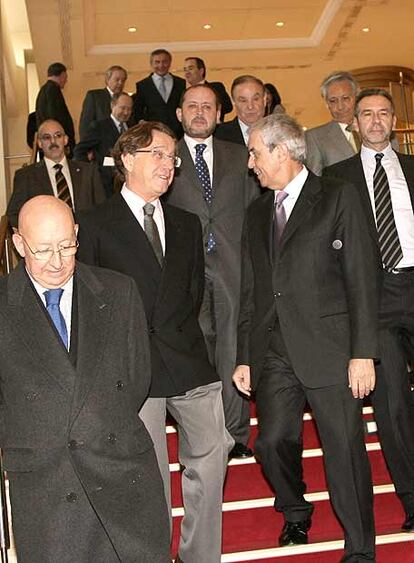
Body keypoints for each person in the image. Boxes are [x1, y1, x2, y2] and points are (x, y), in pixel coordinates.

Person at [77, 121, 233, 563]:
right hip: (130, 370)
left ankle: (199, 556)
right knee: (149, 475)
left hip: (186, 360)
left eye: (172, 157)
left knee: (211, 457)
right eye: (158, 155)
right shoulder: (93, 224)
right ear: (127, 159)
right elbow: (88, 306)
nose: (168, 165)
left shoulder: (185, 223)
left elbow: (193, 294)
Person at [233, 113, 379, 560]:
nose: (251, 162)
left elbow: (362, 278)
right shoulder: (256, 212)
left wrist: (363, 352)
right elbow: (251, 289)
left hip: (332, 350)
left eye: (256, 152)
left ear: (281, 150)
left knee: (344, 454)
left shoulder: (337, 196)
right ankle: (295, 509)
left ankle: (360, 551)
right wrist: (245, 356)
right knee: (273, 441)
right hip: (274, 350)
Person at [0, 195, 170, 562]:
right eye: (43, 250)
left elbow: (137, 378)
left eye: (66, 245)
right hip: (46, 482)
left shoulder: (119, 291)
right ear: (18, 244)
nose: (57, 261)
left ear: (77, 234)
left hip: (121, 471)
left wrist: (95, 419)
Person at [324, 88, 414, 533]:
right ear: (354, 124)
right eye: (367, 114)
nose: (376, 121)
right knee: (393, 407)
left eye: (383, 113)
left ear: (394, 120)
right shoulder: (335, 179)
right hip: (373, 299)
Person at [166, 84, 260, 458]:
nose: (200, 112)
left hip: (234, 267)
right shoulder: (164, 156)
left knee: (233, 348)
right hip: (186, 269)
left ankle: (235, 434)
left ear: (220, 114)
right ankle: (203, 432)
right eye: (193, 106)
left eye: (208, 107)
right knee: (197, 349)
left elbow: (255, 213)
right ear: (179, 113)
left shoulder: (241, 156)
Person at [7, 119, 105, 228]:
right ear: (39, 143)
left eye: (58, 136)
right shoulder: (26, 176)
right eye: (47, 137)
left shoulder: (88, 171)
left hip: (86, 238)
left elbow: (102, 209)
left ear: (65, 140)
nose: (53, 141)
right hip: (45, 240)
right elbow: (13, 215)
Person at [74, 92, 133, 197]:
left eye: (129, 109)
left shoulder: (132, 127)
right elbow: (79, 150)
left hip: (129, 183)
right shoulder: (99, 127)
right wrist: (91, 172)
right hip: (106, 184)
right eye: (123, 108)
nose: (126, 112)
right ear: (112, 106)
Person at [305, 71, 360, 175]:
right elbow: (316, 181)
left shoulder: (377, 130)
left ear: (357, 97)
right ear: (327, 104)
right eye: (333, 101)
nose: (340, 106)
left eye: (345, 98)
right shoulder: (315, 138)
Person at [134, 49, 186, 138]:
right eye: (157, 62)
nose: (161, 65)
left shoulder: (181, 83)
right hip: (153, 133)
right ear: (151, 64)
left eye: (164, 62)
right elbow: (138, 110)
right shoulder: (142, 85)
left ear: (170, 62)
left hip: (178, 133)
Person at [35, 62, 75, 155]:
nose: (66, 80)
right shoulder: (53, 90)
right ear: (62, 75)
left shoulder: (44, 90)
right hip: (56, 142)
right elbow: (55, 116)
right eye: (65, 77)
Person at [215, 75, 266, 146]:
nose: (250, 106)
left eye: (256, 99)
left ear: (264, 99)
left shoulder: (280, 133)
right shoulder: (217, 136)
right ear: (233, 102)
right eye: (243, 101)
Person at [79, 65, 128, 139]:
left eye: (123, 80)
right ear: (107, 79)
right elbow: (85, 125)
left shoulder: (126, 98)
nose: (120, 83)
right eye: (117, 80)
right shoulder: (95, 96)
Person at [183, 57, 233, 121]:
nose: (187, 72)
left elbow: (228, 107)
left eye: (191, 68)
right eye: (185, 70)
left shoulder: (216, 87)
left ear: (201, 71)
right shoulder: (183, 91)